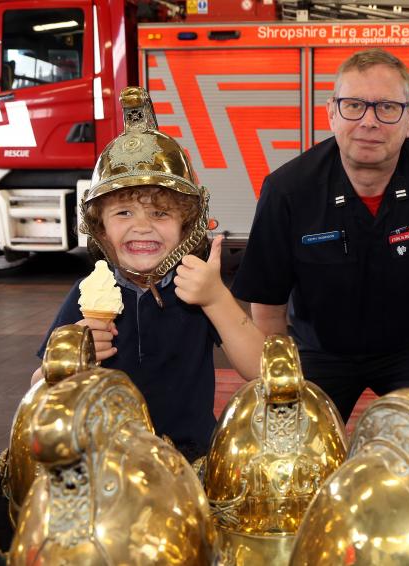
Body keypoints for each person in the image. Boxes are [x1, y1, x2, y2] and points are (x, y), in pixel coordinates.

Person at [233, 48, 409, 422]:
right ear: (331, 112)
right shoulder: (288, 189)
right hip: (318, 350)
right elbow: (268, 308)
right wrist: (281, 383)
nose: (369, 122)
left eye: (386, 107)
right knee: (292, 453)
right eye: (353, 105)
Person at [31, 87, 264, 448]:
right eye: (123, 212)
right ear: (100, 226)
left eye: (160, 213)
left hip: (189, 460)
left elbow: (260, 370)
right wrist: (71, 353)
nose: (142, 226)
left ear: (187, 224)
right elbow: (36, 390)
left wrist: (216, 298)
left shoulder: (196, 288)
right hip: (106, 460)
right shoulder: (85, 293)